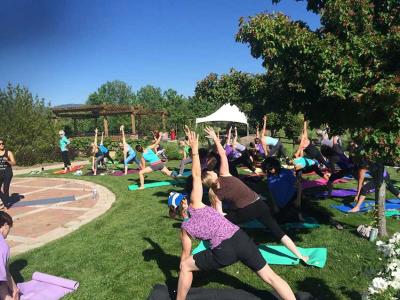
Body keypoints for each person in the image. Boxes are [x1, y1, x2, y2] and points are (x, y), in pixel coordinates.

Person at [177, 126, 296, 300]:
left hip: (224, 251)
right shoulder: (199, 205)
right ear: (185, 202)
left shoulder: (186, 227)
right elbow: (196, 175)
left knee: (186, 266)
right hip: (241, 238)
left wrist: (182, 267)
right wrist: (194, 151)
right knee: (271, 276)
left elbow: (185, 257)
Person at [201, 126, 307, 262]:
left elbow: (220, 215)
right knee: (278, 232)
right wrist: (216, 138)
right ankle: (300, 255)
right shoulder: (224, 174)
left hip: (247, 211)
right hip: (260, 204)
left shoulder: (215, 193)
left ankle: (223, 246)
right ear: (213, 174)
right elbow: (222, 153)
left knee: (224, 221)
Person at [262, 157, 303, 222]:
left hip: (291, 199)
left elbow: (299, 185)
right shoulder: (269, 176)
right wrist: (275, 205)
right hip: (280, 204)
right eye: (269, 169)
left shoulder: (286, 173)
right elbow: (271, 191)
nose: (272, 170)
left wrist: (298, 200)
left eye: (273, 168)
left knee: (285, 219)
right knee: (276, 219)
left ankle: (298, 212)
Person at [0, 211, 19, 300]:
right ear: (5, 225)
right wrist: (15, 290)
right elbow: (5, 274)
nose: (8, 234)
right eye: (9, 229)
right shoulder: (3, 246)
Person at [0, 140, 15, 209]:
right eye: (0, 144)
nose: (1, 145)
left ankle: (6, 205)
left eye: (3, 143)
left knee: (5, 189)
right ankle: (5, 201)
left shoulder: (8, 152)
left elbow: (14, 163)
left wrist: (7, 161)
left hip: (7, 173)